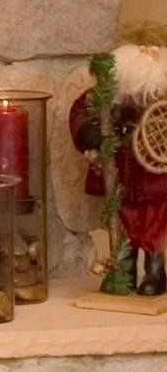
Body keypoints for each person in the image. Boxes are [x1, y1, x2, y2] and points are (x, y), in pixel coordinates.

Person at [70, 26, 167, 295]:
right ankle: (122, 270)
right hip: (121, 173)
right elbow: (81, 111)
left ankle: (155, 272)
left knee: (153, 227)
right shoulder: (107, 100)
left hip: (155, 179)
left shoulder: (160, 104)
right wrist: (87, 132)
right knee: (123, 222)